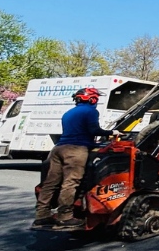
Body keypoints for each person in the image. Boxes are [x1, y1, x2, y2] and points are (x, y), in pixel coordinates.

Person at [33, 88, 121, 229]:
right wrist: (111, 132)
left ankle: (41, 215)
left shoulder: (68, 113)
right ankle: (65, 217)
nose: (96, 101)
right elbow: (94, 130)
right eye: (96, 98)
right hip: (76, 150)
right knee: (71, 182)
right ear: (92, 99)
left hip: (58, 148)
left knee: (50, 183)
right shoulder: (91, 111)